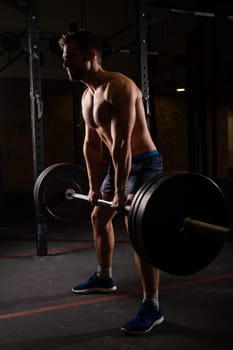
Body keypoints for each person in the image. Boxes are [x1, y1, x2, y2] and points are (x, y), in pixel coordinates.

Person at [58, 30, 164, 335]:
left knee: (137, 229)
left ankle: (152, 306)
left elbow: (121, 146)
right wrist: (93, 187)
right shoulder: (86, 95)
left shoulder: (119, 87)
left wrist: (119, 192)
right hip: (119, 166)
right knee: (98, 215)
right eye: (64, 58)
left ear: (91, 56)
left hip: (142, 163)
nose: (65, 64)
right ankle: (104, 277)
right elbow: (92, 145)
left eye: (70, 58)